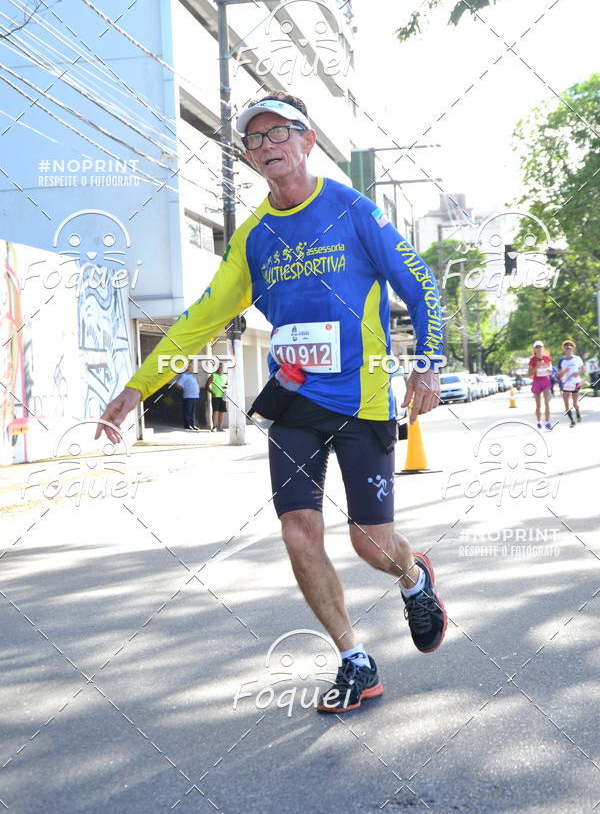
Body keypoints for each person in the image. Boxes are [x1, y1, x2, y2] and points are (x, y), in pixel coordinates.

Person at [96, 91, 446, 714]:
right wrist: (138, 386)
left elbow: (417, 283)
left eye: (279, 132)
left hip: (362, 399)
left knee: (371, 544)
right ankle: (353, 661)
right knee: (297, 528)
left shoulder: (352, 209)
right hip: (292, 402)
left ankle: (414, 578)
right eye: (254, 140)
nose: (266, 145)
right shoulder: (254, 236)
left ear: (307, 141)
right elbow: (201, 319)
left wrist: (428, 363)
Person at [557, 340, 584, 427]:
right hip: (566, 384)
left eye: (570, 347)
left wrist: (578, 373)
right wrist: (564, 371)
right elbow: (558, 373)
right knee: (566, 404)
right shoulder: (562, 360)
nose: (568, 349)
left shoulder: (577, 358)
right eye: (566, 347)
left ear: (572, 348)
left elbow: (582, 369)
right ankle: (572, 421)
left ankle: (578, 413)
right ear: (564, 349)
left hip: (575, 382)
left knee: (575, 403)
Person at [528, 340, 553, 430]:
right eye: (537, 347)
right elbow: (529, 373)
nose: (538, 348)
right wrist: (536, 367)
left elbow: (550, 368)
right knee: (538, 405)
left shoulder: (547, 358)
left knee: (547, 403)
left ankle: (548, 423)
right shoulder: (532, 359)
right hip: (536, 382)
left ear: (543, 348)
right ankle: (539, 422)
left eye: (540, 347)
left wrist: (549, 369)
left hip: (545, 380)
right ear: (534, 349)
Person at [174, 362, 200, 431]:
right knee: (188, 411)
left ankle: (193, 424)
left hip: (194, 396)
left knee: (192, 412)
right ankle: (188, 425)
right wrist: (185, 389)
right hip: (188, 396)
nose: (192, 369)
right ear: (187, 368)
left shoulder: (191, 376)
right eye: (191, 367)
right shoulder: (184, 375)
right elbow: (178, 384)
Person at [206, 362, 228, 432]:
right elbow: (206, 386)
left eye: (222, 367)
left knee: (221, 412)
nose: (221, 368)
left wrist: (226, 387)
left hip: (223, 396)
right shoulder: (213, 375)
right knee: (215, 411)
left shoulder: (225, 376)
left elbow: (227, 385)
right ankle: (214, 427)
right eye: (219, 367)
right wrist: (212, 392)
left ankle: (220, 427)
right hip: (215, 397)